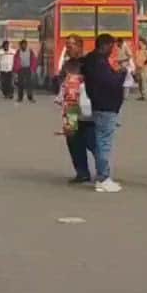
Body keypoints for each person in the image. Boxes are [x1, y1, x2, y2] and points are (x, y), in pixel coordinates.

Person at [82, 33, 129, 193]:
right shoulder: (99, 63)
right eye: (111, 46)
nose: (112, 50)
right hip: (105, 106)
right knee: (104, 143)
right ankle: (103, 178)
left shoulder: (91, 60)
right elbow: (110, 82)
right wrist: (122, 73)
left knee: (101, 141)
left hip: (99, 104)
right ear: (105, 45)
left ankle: (102, 176)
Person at [56, 36, 97, 184]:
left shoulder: (88, 62)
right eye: (67, 45)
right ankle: (82, 172)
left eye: (71, 45)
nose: (68, 48)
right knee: (72, 139)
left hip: (87, 107)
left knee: (92, 140)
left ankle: (103, 172)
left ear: (80, 46)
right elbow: (61, 81)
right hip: (71, 108)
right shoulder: (67, 64)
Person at [13, 39, 36, 103]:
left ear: (26, 45)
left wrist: (33, 69)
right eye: (23, 45)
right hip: (20, 69)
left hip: (28, 69)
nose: (24, 46)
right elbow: (15, 60)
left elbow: (34, 59)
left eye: (25, 44)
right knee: (20, 84)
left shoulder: (30, 51)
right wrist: (15, 69)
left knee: (29, 84)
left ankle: (30, 97)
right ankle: (20, 98)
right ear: (20, 45)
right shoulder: (18, 51)